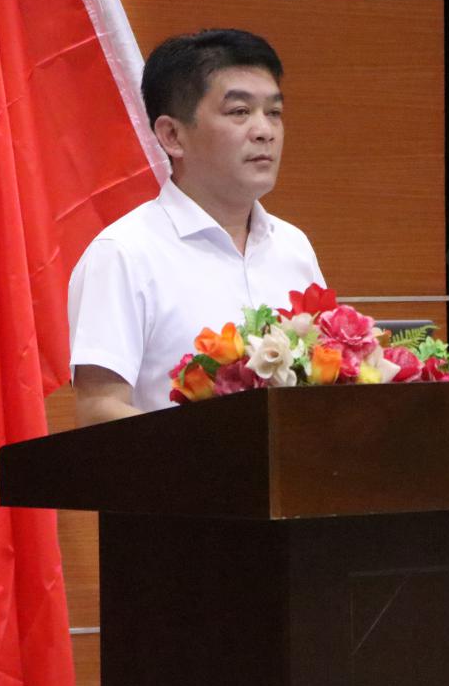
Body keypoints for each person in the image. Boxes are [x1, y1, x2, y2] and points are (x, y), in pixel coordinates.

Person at [67, 29, 325, 425]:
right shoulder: (124, 253)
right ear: (172, 135)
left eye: (274, 112)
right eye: (240, 112)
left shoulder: (293, 246)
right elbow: (97, 408)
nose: (265, 131)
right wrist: (213, 448)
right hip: (180, 467)